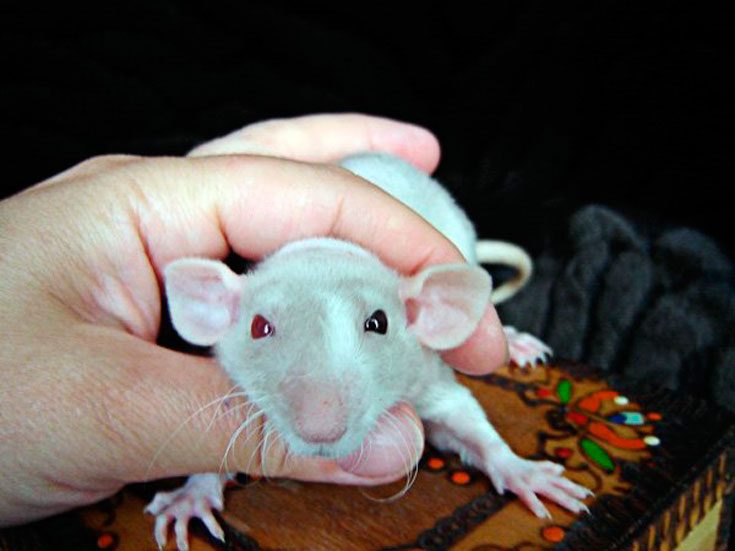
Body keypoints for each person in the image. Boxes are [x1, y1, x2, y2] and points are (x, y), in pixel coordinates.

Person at [0, 113, 507, 527]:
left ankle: (500, 321)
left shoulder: (411, 338)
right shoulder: (254, 300)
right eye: (263, 328)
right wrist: (201, 482)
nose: (321, 423)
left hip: (417, 204)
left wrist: (507, 462)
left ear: (427, 311)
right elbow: (214, 429)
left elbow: (449, 401)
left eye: (376, 325)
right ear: (213, 306)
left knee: (453, 242)